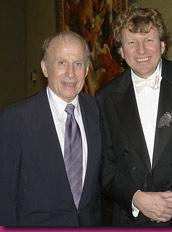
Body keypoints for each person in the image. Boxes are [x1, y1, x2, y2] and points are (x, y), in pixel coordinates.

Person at [95, 5, 172, 226]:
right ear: (121, 51)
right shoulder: (105, 97)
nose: (141, 50)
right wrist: (136, 198)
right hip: (131, 218)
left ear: (162, 45)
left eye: (148, 40)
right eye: (131, 42)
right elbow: (104, 164)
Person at [0, 30, 102, 226]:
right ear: (45, 68)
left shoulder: (98, 111)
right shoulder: (14, 119)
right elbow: (5, 195)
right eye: (61, 62)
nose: (70, 73)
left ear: (87, 69)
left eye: (78, 64)